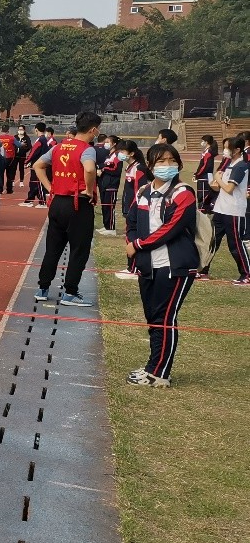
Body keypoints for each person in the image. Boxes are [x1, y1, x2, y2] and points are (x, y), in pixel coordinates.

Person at [124, 143, 198, 387]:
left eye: (172, 160)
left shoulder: (183, 193)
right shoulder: (143, 191)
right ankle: (153, 366)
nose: (167, 165)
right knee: (153, 318)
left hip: (174, 265)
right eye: (161, 161)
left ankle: (159, 373)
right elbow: (131, 222)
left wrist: (138, 245)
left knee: (165, 317)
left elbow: (171, 229)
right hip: (149, 265)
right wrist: (132, 242)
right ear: (151, 165)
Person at [32, 111, 101, 306]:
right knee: (79, 249)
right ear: (93, 130)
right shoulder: (87, 149)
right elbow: (89, 169)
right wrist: (89, 190)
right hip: (78, 203)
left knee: (53, 248)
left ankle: (43, 288)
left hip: (57, 203)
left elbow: (38, 165)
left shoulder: (58, 147)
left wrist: (50, 188)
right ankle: (70, 292)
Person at [203, 136, 249, 284]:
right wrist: (215, 182)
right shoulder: (229, 164)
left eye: (228, 148)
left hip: (233, 211)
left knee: (235, 244)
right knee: (212, 241)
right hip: (220, 209)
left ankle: (246, 274)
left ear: (237, 150)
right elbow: (220, 187)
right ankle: (203, 270)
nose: (225, 150)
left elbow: (229, 189)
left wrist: (217, 178)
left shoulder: (241, 166)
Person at [114, 141, 147, 279]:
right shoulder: (130, 167)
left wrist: (134, 210)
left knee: (133, 238)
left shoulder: (139, 168)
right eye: (119, 151)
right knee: (129, 238)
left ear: (132, 153)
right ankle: (132, 267)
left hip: (136, 210)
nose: (119, 154)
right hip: (129, 209)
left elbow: (139, 192)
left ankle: (133, 268)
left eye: (122, 151)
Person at [95, 135, 122, 236]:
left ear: (114, 144)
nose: (105, 144)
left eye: (108, 142)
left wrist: (104, 169)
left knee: (109, 206)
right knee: (105, 206)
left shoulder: (117, 155)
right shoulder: (110, 155)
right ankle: (106, 226)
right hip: (104, 183)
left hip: (111, 184)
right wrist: (100, 167)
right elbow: (106, 165)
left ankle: (111, 228)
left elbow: (116, 170)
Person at [21, 123, 51, 207]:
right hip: (38, 164)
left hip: (38, 165)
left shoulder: (40, 140)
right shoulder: (44, 139)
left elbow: (33, 152)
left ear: (36, 129)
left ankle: (42, 202)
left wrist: (26, 161)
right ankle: (29, 200)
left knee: (38, 183)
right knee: (33, 183)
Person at [194, 134, 217, 212]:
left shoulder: (208, 152)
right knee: (205, 192)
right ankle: (205, 208)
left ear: (206, 142)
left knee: (203, 193)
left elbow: (205, 166)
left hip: (204, 176)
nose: (202, 143)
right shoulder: (207, 151)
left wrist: (197, 174)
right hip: (206, 175)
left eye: (203, 141)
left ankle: (204, 208)